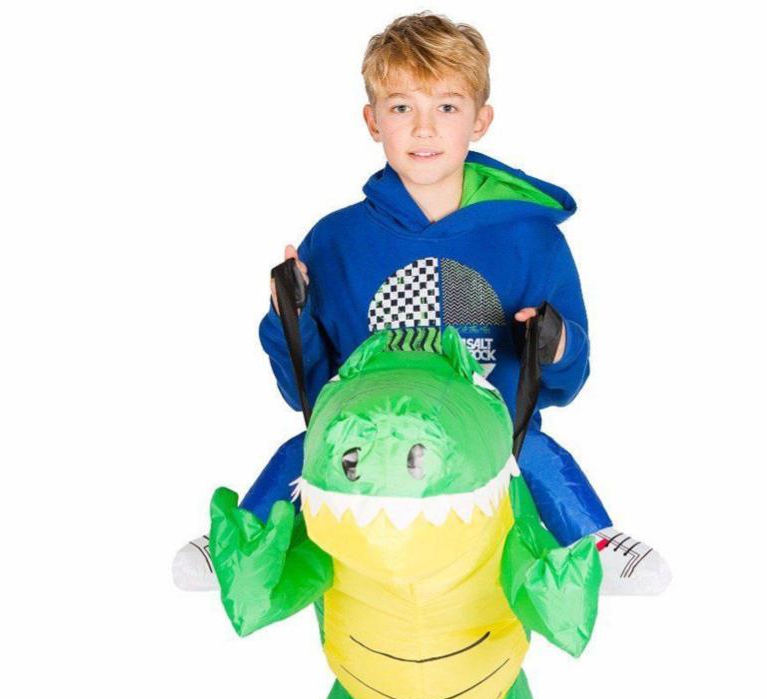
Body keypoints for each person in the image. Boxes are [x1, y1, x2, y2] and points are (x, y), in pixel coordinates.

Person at [174, 13, 670, 597]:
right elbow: (305, 392)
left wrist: (555, 342)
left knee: (530, 450)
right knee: (308, 448)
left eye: (448, 107)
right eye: (402, 107)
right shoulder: (335, 241)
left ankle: (596, 544)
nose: (424, 128)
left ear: (480, 120)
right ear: (372, 120)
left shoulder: (532, 242)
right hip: (369, 450)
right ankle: (241, 539)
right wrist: (291, 316)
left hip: (483, 448)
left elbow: (566, 380)